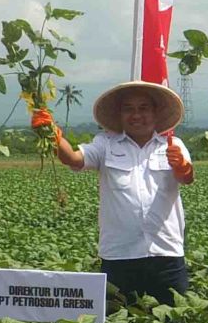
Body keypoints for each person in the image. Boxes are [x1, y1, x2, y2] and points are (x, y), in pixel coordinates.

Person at [32, 80, 194, 306]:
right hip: (119, 256)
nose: (136, 115)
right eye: (129, 109)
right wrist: (52, 134)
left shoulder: (172, 144)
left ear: (156, 113)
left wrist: (182, 167)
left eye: (143, 108)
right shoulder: (105, 144)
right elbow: (74, 158)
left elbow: (187, 178)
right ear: (120, 115)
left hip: (166, 255)